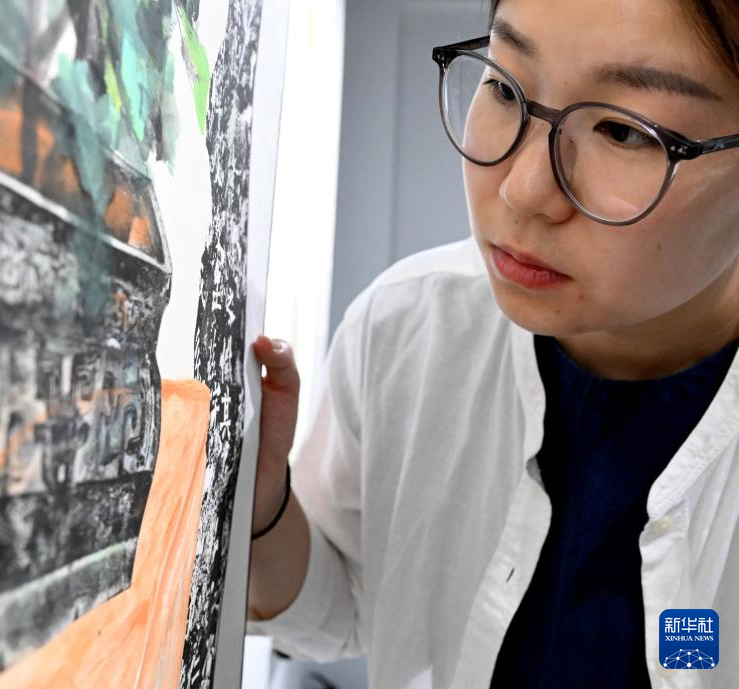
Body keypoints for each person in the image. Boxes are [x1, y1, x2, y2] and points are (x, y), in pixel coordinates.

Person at [245, 0, 739, 687]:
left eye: (623, 131)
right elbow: (343, 604)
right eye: (505, 88)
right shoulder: (407, 326)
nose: (523, 189)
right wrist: (259, 507)